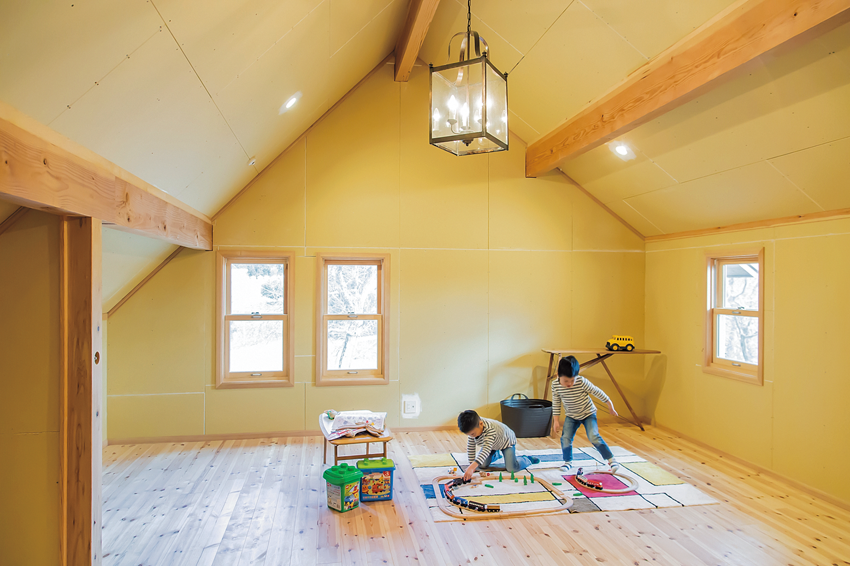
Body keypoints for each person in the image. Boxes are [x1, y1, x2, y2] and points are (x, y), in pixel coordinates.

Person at [551, 355, 619, 473]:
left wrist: (610, 404)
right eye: (566, 381)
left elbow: (596, 391)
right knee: (565, 438)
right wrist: (556, 420)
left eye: (572, 380)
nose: (570, 384)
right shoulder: (555, 385)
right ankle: (567, 462)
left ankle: (611, 459)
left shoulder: (582, 382)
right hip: (572, 416)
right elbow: (556, 402)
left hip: (588, 413)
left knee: (594, 436)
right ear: (558, 376)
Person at [457, 410, 539, 481]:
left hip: (506, 442)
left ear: (481, 424)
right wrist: (472, 465)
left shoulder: (489, 429)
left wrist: (472, 467)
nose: (472, 436)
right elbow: (471, 447)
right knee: (481, 465)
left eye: (473, 434)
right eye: (470, 435)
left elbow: (485, 450)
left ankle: (527, 459)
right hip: (492, 445)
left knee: (512, 468)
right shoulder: (473, 428)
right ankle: (496, 455)